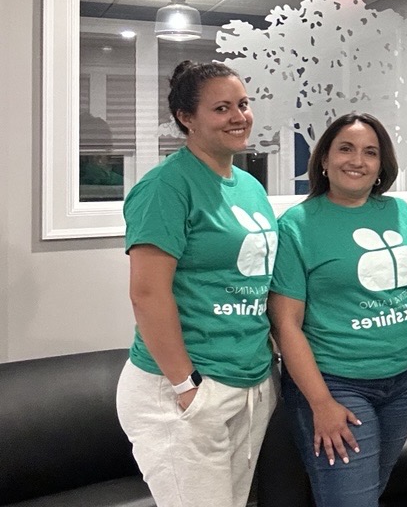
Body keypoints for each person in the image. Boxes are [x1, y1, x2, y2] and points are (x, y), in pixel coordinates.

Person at [116, 60, 278, 507]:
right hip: (185, 388)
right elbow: (147, 293)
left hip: (249, 383)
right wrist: (186, 387)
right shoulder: (166, 186)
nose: (238, 117)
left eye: (243, 105)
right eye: (222, 108)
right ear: (186, 118)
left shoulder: (248, 186)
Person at [269, 113, 407, 507]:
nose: (358, 160)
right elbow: (286, 325)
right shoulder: (297, 225)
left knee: (368, 492)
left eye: (370, 152)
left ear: (381, 165)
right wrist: (321, 403)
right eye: (346, 149)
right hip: (337, 386)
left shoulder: (402, 212)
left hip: (403, 384)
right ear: (324, 159)